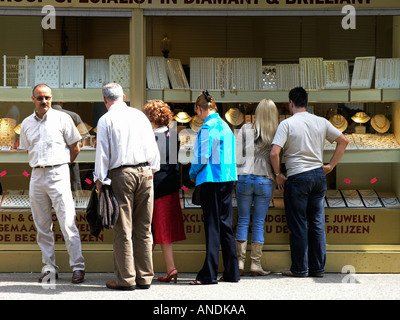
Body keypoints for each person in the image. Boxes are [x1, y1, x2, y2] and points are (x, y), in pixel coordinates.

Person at [270, 87, 349, 277]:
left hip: (297, 177)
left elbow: (274, 152)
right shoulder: (321, 122)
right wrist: (330, 166)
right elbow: (343, 141)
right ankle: (318, 268)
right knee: (316, 222)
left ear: (291, 103)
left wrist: (278, 174)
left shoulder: (287, 124)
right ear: (307, 102)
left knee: (297, 224)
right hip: (318, 176)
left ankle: (299, 268)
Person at [94, 83, 160, 291]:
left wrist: (100, 180)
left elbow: (102, 154)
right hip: (146, 172)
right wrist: (151, 171)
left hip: (121, 174)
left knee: (123, 228)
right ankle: (145, 277)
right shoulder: (140, 116)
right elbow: (152, 146)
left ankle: (126, 279)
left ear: (105, 100)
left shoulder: (106, 120)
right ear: (124, 96)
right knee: (144, 227)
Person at [19, 83, 85, 284]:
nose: (44, 101)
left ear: (51, 98)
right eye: (40, 98)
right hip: (37, 175)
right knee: (42, 225)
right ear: (33, 100)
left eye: (47, 97)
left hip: (58, 172)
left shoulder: (63, 118)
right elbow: (26, 149)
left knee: (67, 222)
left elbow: (76, 147)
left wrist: (65, 165)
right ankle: (49, 269)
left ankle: (78, 267)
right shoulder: (26, 123)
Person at [189, 90, 239, 285]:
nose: (198, 116)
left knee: (211, 226)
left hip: (211, 179)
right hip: (228, 178)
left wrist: (192, 174)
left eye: (197, 112)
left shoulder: (207, 127)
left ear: (200, 109)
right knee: (225, 225)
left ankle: (208, 274)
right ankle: (231, 271)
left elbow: (202, 157)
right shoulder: (226, 126)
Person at [142, 100, 186, 283]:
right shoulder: (173, 135)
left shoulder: (148, 137)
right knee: (164, 230)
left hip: (154, 186)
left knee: (147, 229)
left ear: (150, 117)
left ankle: (144, 270)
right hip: (171, 187)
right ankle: (170, 268)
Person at [235, 99, 279, 276]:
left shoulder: (245, 128)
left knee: (243, 220)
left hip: (244, 177)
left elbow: (237, 156)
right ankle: (255, 264)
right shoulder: (277, 132)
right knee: (259, 223)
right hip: (265, 179)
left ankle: (239, 263)